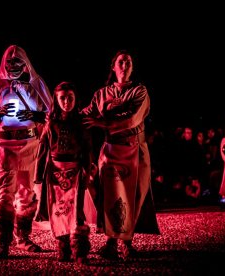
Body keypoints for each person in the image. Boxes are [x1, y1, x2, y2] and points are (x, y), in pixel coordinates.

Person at [81, 49, 160, 259]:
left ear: (132, 67)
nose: (125, 65)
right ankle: (111, 242)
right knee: (110, 195)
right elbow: (85, 114)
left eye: (128, 62)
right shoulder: (101, 94)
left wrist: (103, 123)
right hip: (111, 150)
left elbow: (133, 119)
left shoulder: (139, 91)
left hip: (135, 149)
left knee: (133, 195)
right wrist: (57, 117)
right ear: (113, 67)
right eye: (121, 62)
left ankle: (127, 243)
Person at [0, 45, 52, 259]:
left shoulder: (35, 84)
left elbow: (51, 111)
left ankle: (22, 238)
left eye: (17, 62)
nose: (13, 66)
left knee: (26, 193)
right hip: (4, 144)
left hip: (29, 143)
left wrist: (35, 115)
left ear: (25, 63)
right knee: (4, 194)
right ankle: (3, 241)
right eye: (9, 62)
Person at [34, 81, 92, 264]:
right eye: (63, 98)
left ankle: (80, 251)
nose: (67, 101)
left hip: (75, 171)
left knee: (76, 211)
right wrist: (37, 177)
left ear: (75, 99)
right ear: (56, 100)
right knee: (58, 210)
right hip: (55, 173)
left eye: (70, 98)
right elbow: (43, 149)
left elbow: (87, 148)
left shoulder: (81, 123)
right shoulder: (51, 123)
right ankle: (63, 248)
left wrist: (88, 170)